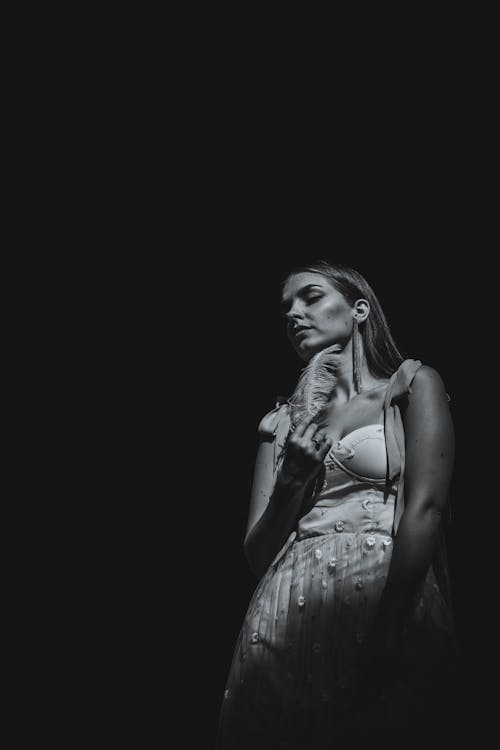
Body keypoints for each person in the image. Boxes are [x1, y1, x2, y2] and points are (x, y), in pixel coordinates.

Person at [215, 260, 460, 750]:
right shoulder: (280, 423)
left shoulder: (410, 386)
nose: (294, 314)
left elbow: (425, 509)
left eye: (310, 297)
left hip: (384, 590)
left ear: (359, 310)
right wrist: (292, 484)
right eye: (286, 308)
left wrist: (388, 629)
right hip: (287, 605)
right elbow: (257, 555)